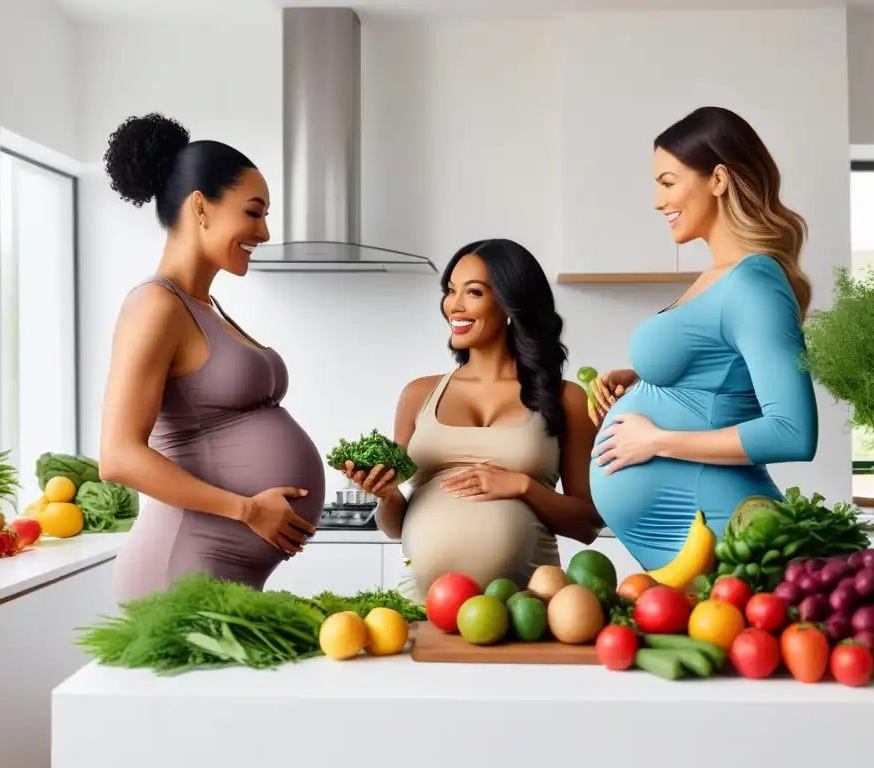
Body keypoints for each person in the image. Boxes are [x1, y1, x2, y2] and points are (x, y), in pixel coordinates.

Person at [99, 113, 322, 602]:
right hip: (181, 563)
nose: (263, 232)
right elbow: (118, 457)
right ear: (201, 207)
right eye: (253, 212)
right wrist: (248, 511)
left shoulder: (204, 307)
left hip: (221, 566)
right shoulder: (156, 305)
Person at [588, 106, 818, 571]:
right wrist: (645, 378)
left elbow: (794, 431)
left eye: (668, 182)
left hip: (727, 531)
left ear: (717, 179)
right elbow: (719, 368)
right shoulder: (720, 276)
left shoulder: (754, 283)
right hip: (699, 538)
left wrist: (656, 441)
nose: (657, 201)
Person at [342, 239, 603, 601]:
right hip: (422, 611)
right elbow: (395, 528)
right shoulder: (418, 395)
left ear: (511, 303)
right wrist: (385, 496)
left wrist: (522, 486)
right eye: (451, 291)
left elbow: (589, 523)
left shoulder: (566, 398)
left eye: (473, 292)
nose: (455, 305)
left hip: (526, 611)